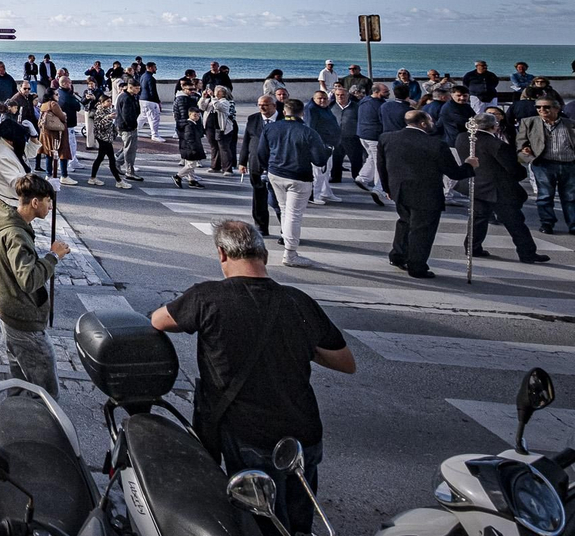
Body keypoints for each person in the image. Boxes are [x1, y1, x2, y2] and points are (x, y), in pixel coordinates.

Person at [151, 220, 356, 536]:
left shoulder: (207, 298)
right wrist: (300, 345)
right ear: (264, 255)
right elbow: (345, 362)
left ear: (222, 254)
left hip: (248, 435)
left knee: (261, 525)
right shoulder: (298, 301)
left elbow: (159, 320)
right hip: (303, 436)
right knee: (300, 524)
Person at [0, 173, 70, 394]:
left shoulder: (14, 227)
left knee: (20, 382)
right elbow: (29, 279)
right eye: (48, 201)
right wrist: (53, 257)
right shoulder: (16, 235)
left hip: (11, 313)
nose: (50, 207)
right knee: (44, 390)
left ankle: (18, 421)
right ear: (35, 202)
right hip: (23, 320)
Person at [379, 110, 478, 278]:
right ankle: (416, 266)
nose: (433, 124)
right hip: (426, 193)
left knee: (405, 222)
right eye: (431, 121)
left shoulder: (387, 137)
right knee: (422, 231)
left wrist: (387, 188)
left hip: (399, 190)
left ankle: (398, 255)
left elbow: (382, 165)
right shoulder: (436, 144)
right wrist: (469, 165)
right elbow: (454, 173)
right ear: (423, 123)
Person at [457, 114, 548, 263]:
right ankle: (527, 252)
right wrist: (521, 174)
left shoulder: (462, 137)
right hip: (498, 189)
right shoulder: (497, 144)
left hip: (475, 185)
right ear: (494, 127)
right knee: (515, 222)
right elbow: (513, 169)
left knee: (478, 218)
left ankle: (472, 247)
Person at [258, 99, 330, 267]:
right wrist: (327, 152)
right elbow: (319, 160)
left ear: (284, 111)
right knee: (294, 215)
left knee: (285, 211)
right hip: (299, 176)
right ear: (302, 113)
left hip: (276, 173)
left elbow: (261, 153)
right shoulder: (309, 132)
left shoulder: (270, 128)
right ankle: (290, 253)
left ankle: (287, 243)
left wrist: (269, 167)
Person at [516, 97, 575, 235]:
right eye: (538, 107)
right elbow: (520, 145)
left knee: (570, 197)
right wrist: (530, 158)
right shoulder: (529, 122)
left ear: (557, 108)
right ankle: (547, 223)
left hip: (569, 165)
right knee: (545, 196)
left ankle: (573, 225)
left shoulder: (569, 123)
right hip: (544, 165)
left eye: (546, 107)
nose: (542, 110)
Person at [239, 95, 280, 239]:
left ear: (274, 106)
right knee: (258, 196)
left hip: (276, 165)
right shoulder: (253, 119)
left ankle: (286, 230)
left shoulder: (283, 120)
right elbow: (247, 141)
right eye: (260, 105)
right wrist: (242, 161)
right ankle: (261, 226)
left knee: (278, 200)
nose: (262, 107)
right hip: (256, 164)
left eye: (266, 105)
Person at [84, 93, 129, 188]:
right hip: (103, 138)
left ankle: (93, 178)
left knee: (101, 158)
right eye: (108, 101)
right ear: (102, 102)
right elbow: (98, 125)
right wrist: (108, 118)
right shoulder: (99, 111)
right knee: (111, 160)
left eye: (110, 101)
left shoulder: (107, 110)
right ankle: (118, 181)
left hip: (107, 138)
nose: (110, 103)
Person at [305, 91, 342, 204]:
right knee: (319, 172)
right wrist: (318, 145)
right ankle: (314, 195)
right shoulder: (311, 110)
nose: (323, 100)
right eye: (319, 98)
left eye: (325, 98)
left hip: (329, 145)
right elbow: (311, 128)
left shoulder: (325, 109)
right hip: (320, 146)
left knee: (327, 171)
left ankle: (326, 192)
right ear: (314, 98)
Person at [115, 80, 144, 181]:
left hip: (125, 126)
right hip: (127, 128)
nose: (139, 90)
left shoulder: (129, 96)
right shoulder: (126, 98)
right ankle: (129, 171)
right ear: (130, 87)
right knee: (130, 150)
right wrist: (132, 126)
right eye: (137, 88)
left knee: (128, 148)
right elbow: (127, 115)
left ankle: (118, 163)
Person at [174, 105, 207, 188]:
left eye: (198, 115)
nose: (197, 117)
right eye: (194, 115)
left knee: (190, 164)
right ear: (190, 115)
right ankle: (178, 176)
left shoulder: (192, 124)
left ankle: (192, 180)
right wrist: (194, 149)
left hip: (187, 148)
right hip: (189, 148)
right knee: (191, 164)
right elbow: (189, 138)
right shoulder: (189, 125)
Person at [137, 62, 163, 141]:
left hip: (142, 99)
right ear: (151, 67)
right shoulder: (151, 78)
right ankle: (154, 135)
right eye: (155, 67)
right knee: (154, 118)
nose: (156, 69)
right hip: (150, 100)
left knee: (143, 117)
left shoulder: (143, 76)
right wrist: (158, 102)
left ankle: (135, 130)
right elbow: (153, 91)